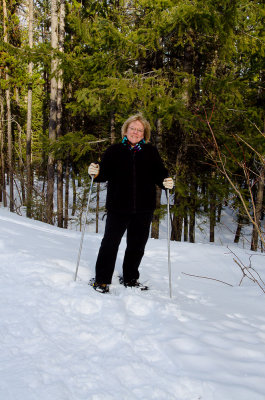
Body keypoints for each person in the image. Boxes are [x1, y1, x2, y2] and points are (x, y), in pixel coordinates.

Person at [88, 113, 173, 293]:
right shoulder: (114, 151)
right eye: (132, 128)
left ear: (145, 134)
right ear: (126, 130)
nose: (135, 132)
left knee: (137, 245)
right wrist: (94, 173)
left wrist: (166, 181)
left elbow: (160, 174)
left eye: (139, 130)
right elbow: (103, 175)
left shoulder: (151, 152)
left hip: (144, 208)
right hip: (118, 207)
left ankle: (130, 278)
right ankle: (102, 280)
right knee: (110, 243)